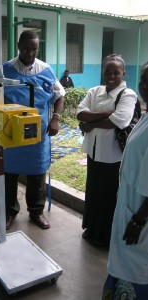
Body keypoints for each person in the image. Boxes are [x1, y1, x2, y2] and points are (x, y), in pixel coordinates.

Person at [0, 30, 65, 230]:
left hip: (37, 134)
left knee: (37, 174)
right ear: (19, 46)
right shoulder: (5, 70)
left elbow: (59, 95)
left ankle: (36, 212)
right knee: (9, 174)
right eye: (26, 48)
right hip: (11, 133)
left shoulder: (46, 70)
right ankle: (10, 212)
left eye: (34, 49)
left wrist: (55, 118)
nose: (30, 53)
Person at [77, 54, 137, 247]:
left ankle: (105, 236)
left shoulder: (128, 95)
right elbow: (80, 112)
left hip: (113, 156)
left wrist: (90, 123)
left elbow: (121, 120)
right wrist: (105, 114)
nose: (111, 76)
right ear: (102, 73)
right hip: (94, 152)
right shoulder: (95, 91)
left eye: (116, 72)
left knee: (109, 196)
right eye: (107, 72)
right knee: (93, 191)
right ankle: (91, 228)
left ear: (123, 73)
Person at [102, 62, 148, 299]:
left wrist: (139, 220)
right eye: (143, 79)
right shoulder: (146, 114)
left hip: (140, 217)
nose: (145, 85)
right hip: (131, 206)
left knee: (136, 275)